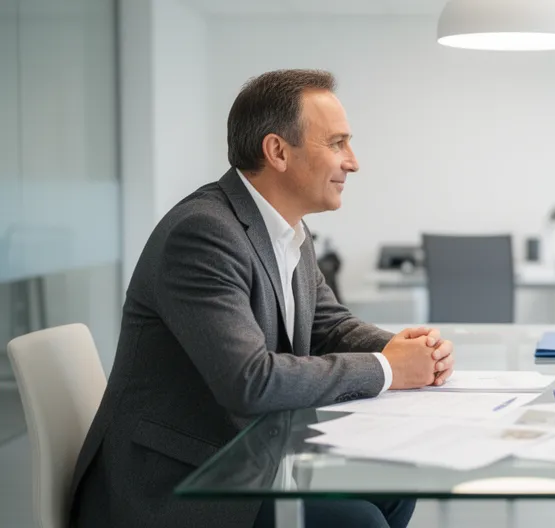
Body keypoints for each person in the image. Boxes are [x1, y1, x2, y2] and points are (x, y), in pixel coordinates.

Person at [69, 69, 454, 528]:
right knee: (358, 521)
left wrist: (404, 349)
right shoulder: (204, 233)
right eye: (336, 143)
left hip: (247, 456)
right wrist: (389, 369)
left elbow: (329, 325)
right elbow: (250, 381)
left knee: (393, 492)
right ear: (277, 152)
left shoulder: (289, 228)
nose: (352, 161)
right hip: (174, 482)